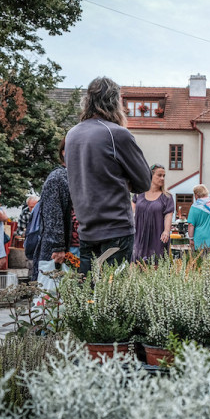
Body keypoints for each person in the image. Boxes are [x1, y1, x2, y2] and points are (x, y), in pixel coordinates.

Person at [65, 77, 151, 275]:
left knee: (89, 296)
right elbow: (144, 181)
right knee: (113, 298)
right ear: (115, 102)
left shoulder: (72, 135)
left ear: (88, 101)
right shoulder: (117, 134)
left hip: (86, 228)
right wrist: (122, 179)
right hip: (115, 228)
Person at [31, 138, 73, 281]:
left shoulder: (73, 177)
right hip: (60, 251)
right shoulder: (58, 177)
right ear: (64, 152)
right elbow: (52, 215)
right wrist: (58, 246)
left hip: (72, 247)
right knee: (53, 294)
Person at [131, 164, 174, 263]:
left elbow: (168, 215)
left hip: (157, 235)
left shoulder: (167, 197)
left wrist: (166, 231)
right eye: (159, 175)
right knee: (136, 263)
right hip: (139, 234)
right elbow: (132, 208)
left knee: (155, 263)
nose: (162, 178)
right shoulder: (139, 194)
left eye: (164, 176)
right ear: (150, 175)